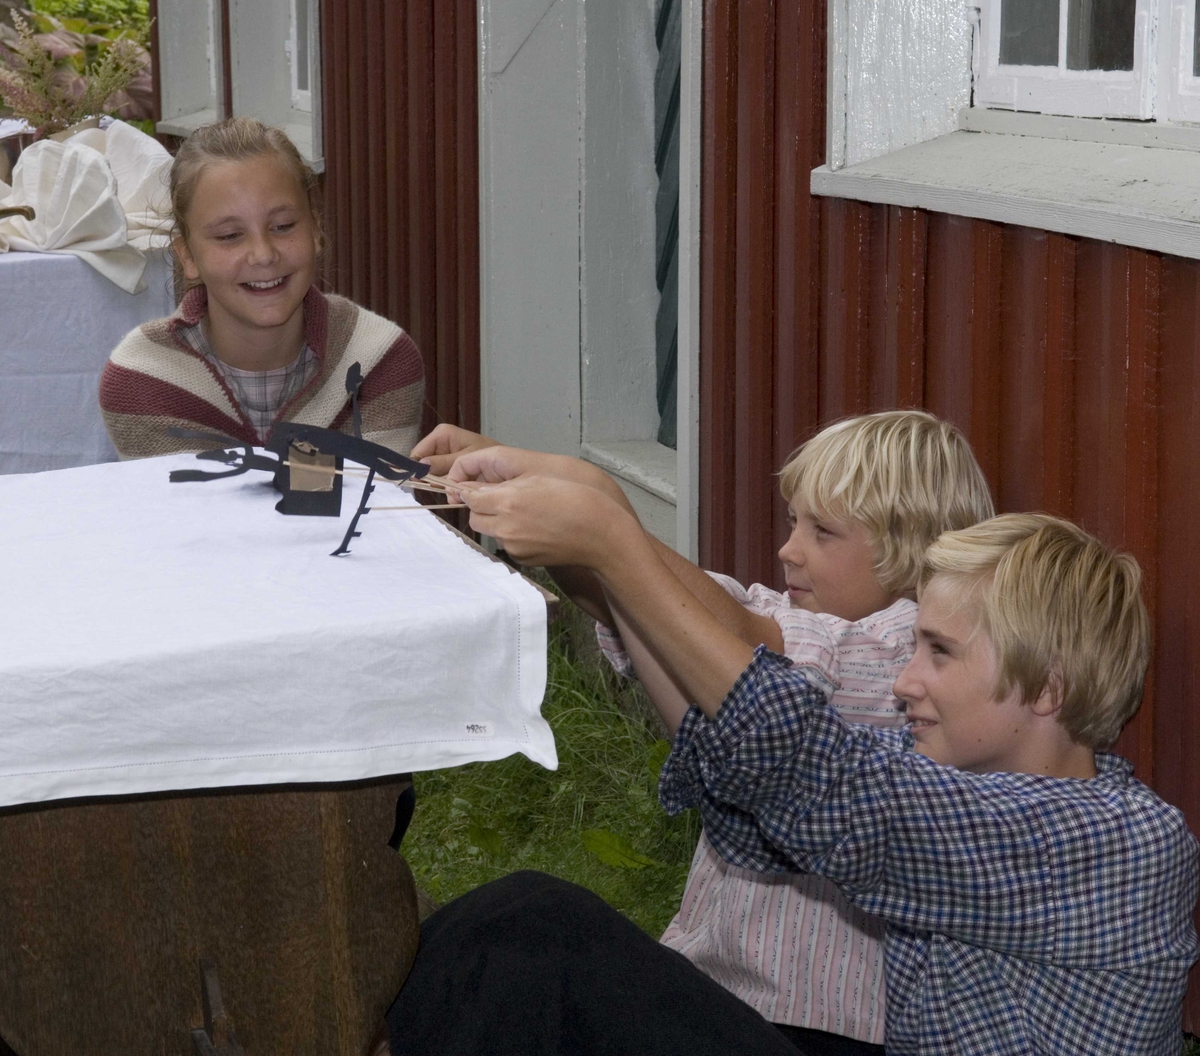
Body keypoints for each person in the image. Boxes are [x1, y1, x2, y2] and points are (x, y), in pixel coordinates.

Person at [378, 465, 1198, 1052]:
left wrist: (617, 546)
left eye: (939, 653)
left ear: (1048, 688)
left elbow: (813, 774)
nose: (907, 680)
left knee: (535, 935)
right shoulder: (957, 784)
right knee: (521, 937)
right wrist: (598, 544)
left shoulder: (1116, 845)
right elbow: (748, 772)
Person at [411, 413, 993, 1053]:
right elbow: (635, 599)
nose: (789, 549)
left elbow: (734, 640)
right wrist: (539, 482)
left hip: (822, 1034)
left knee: (524, 932)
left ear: (911, 554)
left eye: (822, 532)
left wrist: (601, 520)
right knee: (501, 947)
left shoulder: (901, 660)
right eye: (792, 522)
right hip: (718, 993)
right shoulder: (783, 611)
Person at [99, 117, 424, 459]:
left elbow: (370, 507)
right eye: (229, 236)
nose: (264, 254)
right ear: (188, 256)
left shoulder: (379, 361)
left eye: (282, 226)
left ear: (316, 229)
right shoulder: (142, 379)